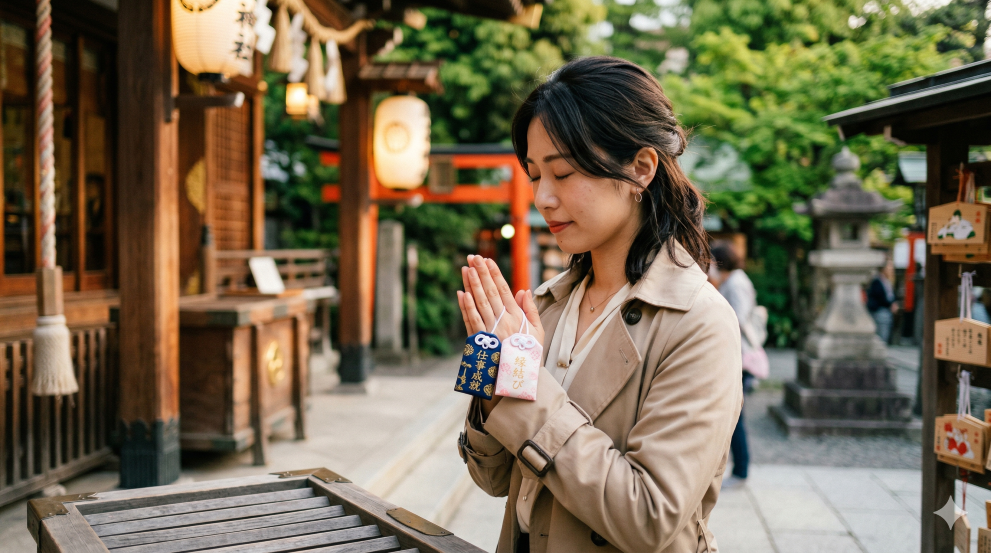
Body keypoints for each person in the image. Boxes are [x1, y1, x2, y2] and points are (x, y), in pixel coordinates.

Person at [455, 56, 742, 553]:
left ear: (641, 169)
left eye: (563, 173)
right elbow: (494, 479)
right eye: (534, 175)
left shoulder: (699, 324)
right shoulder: (545, 305)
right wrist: (492, 372)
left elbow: (649, 518)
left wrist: (524, 389)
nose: (543, 198)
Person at [709, 242, 762, 489]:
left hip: (737, 355)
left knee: (735, 414)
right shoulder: (733, 281)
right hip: (735, 353)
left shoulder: (736, 283)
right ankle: (739, 469)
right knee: (734, 414)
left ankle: (741, 470)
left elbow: (737, 318)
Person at [867, 258, 898, 343]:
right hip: (880, 311)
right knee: (881, 337)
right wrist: (890, 304)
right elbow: (879, 296)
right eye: (889, 267)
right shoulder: (877, 281)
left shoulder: (887, 282)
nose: (891, 270)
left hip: (886, 312)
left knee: (884, 335)